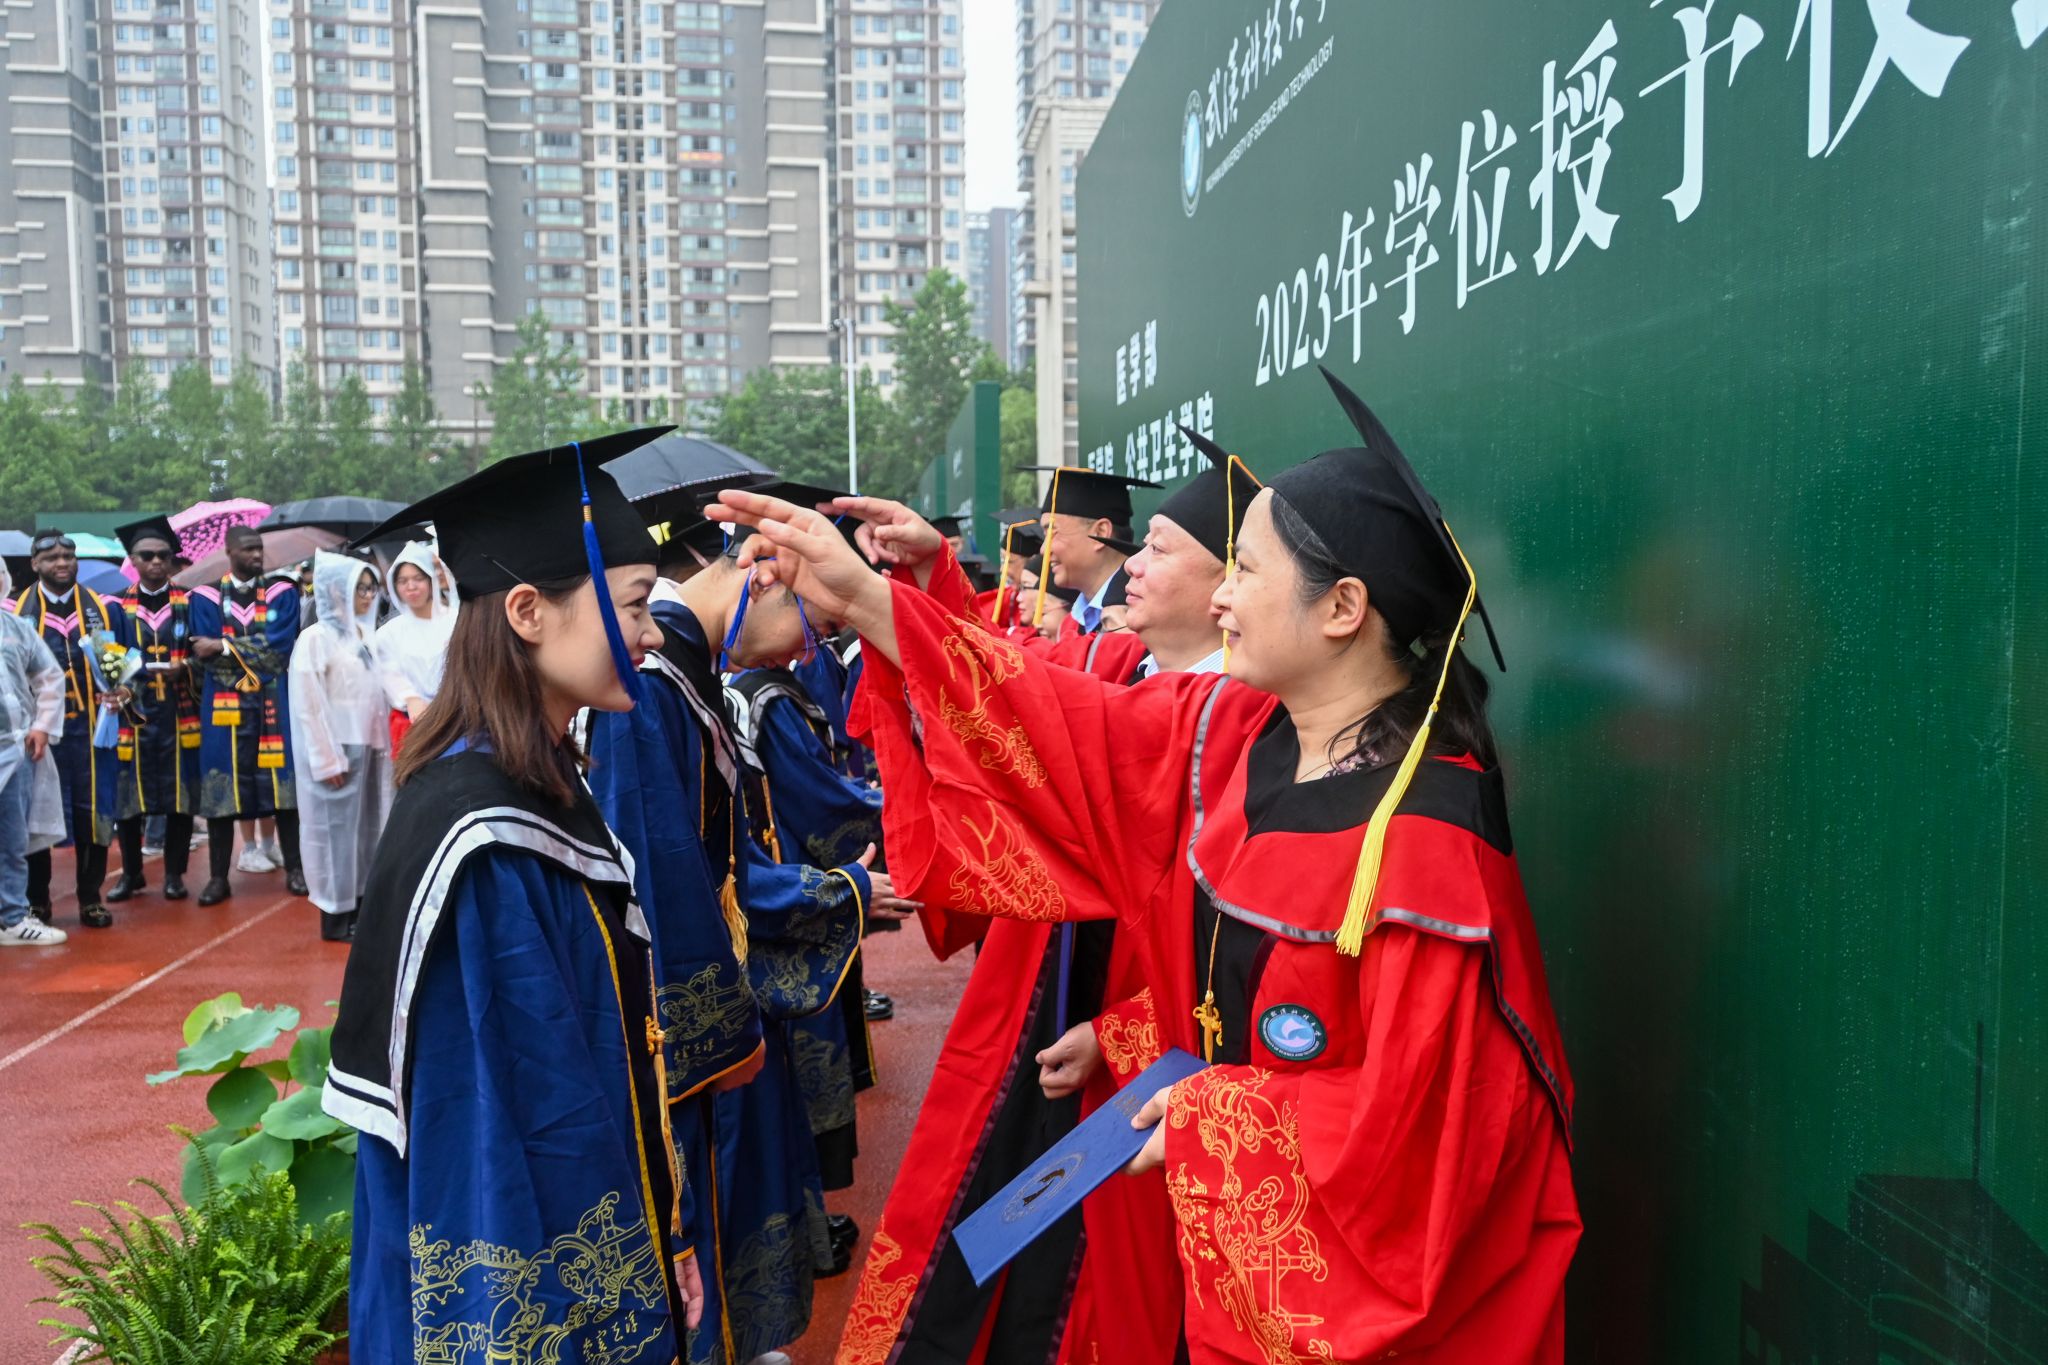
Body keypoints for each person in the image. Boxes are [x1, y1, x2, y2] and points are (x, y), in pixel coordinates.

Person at [713, 368, 1580, 1363]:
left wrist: (1208, 1115)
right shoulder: (1237, 732)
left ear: (1343, 606)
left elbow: (1423, 1146)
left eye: (1243, 569)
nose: (1223, 595)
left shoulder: (1424, 851)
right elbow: (1061, 723)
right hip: (1208, 1221)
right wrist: (873, 602)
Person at [821, 438, 1259, 1363]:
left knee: (1102, 1291)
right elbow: (1021, 693)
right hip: (1046, 1002)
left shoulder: (1238, 725)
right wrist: (932, 579)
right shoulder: (1124, 668)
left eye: (1159, 548)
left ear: (1229, 585)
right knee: (1006, 1246)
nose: (1132, 563)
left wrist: (1124, 1032)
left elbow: (1235, 958)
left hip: (1139, 1046)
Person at [327, 433, 697, 1363]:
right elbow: (484, 1146)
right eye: (634, 606)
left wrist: (665, 1229)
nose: (653, 635)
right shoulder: (481, 842)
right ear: (528, 610)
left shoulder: (539, 781)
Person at [582, 507, 899, 1362]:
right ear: (763, 572)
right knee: (698, 1197)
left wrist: (834, 891)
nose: (806, 650)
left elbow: (720, 862)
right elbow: (668, 878)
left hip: (730, 977)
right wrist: (834, 893)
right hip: (689, 1009)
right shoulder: (649, 687)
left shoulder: (686, 673)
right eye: (813, 624)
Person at [14, 531, 130, 928]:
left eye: (68, 556)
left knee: (93, 812)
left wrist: (124, 690)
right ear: (35, 564)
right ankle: (37, 902)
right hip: (40, 733)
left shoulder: (104, 609)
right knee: (37, 815)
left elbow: (127, 662)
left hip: (92, 731)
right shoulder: (17, 615)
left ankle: (90, 898)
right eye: (52, 558)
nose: (62, 563)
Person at [188, 525, 306, 904]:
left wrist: (223, 646)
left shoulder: (283, 593)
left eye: (259, 548)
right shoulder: (204, 598)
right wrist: (239, 653)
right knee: (221, 786)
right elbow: (202, 654)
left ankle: (296, 868)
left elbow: (279, 650)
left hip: (272, 704)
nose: (256, 554)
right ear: (229, 551)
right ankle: (218, 878)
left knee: (282, 787)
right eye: (248, 549)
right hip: (224, 709)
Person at [289, 553, 394, 942]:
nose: (367, 595)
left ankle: (362, 909)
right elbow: (308, 704)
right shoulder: (316, 638)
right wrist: (326, 758)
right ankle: (335, 916)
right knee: (335, 836)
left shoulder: (364, 634)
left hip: (371, 745)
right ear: (336, 591)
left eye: (371, 587)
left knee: (367, 830)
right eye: (360, 588)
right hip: (338, 747)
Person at [106, 515, 201, 905]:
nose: (157, 562)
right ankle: (132, 873)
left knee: (181, 796)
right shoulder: (115, 606)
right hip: (134, 715)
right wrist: (121, 681)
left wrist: (187, 667)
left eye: (164, 555)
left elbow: (204, 654)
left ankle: (175, 875)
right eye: (147, 556)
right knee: (127, 798)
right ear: (133, 560)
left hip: (179, 712)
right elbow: (107, 659)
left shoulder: (192, 602)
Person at [0, 560, 67, 946]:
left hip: (14, 750)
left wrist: (42, 725)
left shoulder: (17, 629)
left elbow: (49, 676)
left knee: (11, 838)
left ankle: (11, 917)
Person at [1020, 466, 1157, 636]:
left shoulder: (1137, 619)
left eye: (1053, 532)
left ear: (1100, 532)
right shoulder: (1072, 623)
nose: (1043, 550)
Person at [372, 540, 454, 754]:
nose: (411, 586)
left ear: (430, 580)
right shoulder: (388, 634)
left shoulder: (457, 621)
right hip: (414, 727)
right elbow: (390, 674)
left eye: (418, 579)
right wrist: (410, 697)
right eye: (403, 581)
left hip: (458, 721)